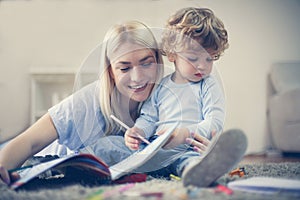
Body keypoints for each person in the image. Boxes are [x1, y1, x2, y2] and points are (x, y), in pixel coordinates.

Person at [0, 20, 169, 185]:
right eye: (124, 68)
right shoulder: (85, 103)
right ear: (110, 71)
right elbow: (30, 141)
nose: (138, 77)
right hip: (44, 157)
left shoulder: (166, 97)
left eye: (146, 63)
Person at [124, 7, 247, 187]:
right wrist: (138, 131)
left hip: (188, 149)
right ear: (172, 54)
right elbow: (149, 118)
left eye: (210, 59)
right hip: (153, 149)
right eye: (193, 58)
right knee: (115, 147)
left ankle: (200, 172)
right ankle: (96, 165)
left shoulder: (208, 85)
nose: (203, 66)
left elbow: (214, 122)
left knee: (189, 161)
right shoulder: (161, 86)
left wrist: (186, 133)